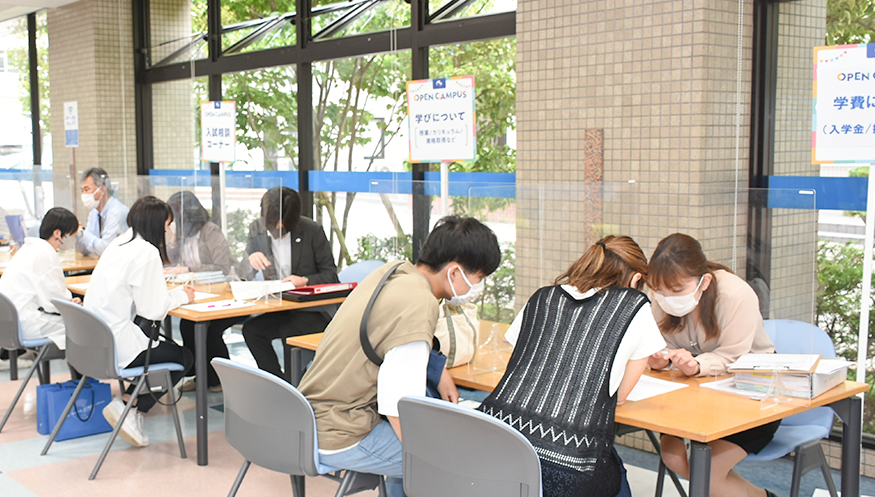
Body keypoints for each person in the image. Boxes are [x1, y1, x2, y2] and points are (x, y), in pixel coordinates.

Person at [298, 216, 501, 497]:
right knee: (459, 459)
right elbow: (397, 405)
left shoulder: (392, 272)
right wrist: (430, 455)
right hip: (342, 430)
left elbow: (389, 338)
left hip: (309, 416)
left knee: (426, 440)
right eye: (478, 279)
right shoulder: (420, 303)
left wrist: (440, 372)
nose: (476, 289)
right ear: (454, 272)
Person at [479, 236, 665, 497]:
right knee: (614, 475)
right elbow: (620, 396)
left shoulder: (543, 297)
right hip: (566, 466)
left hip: (495, 444)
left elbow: (522, 367)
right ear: (636, 279)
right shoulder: (634, 305)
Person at [646, 233, 777, 497]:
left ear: (704, 282)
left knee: (705, 473)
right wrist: (657, 360)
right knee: (672, 457)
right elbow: (656, 345)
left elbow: (732, 357)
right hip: (690, 392)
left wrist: (696, 365)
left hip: (750, 391)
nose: (666, 298)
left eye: (677, 291)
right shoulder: (658, 293)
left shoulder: (735, 295)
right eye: (660, 290)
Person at [84, 196, 195, 448]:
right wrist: (182, 296)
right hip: (117, 346)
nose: (169, 230)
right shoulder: (147, 252)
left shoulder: (118, 243)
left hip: (94, 342)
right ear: (157, 225)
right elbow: (152, 310)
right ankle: (132, 407)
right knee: (185, 358)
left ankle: (127, 401)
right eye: (167, 225)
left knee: (148, 334)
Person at [240, 186, 339, 381]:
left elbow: (331, 275)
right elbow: (243, 274)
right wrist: (250, 260)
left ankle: (293, 385)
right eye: (273, 222)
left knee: (290, 333)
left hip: (312, 310)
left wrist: (305, 281)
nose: (278, 227)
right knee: (252, 331)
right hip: (280, 307)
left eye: (283, 223)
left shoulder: (312, 231)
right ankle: (276, 382)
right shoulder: (257, 229)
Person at [164, 191, 241, 393]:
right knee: (187, 325)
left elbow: (222, 266)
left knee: (210, 329)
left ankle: (220, 379)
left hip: (224, 292)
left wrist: (188, 269)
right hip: (200, 292)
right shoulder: (184, 234)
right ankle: (201, 375)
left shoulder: (210, 231)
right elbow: (171, 260)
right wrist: (174, 238)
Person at [0, 208, 82, 350]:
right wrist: (71, 304)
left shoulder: (28, 248)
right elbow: (55, 302)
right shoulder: (45, 254)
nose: (73, 240)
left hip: (9, 320)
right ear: (58, 234)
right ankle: (83, 366)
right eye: (72, 235)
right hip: (26, 323)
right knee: (82, 327)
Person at [76, 167, 129, 256]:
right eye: (82, 191)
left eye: (86, 189)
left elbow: (106, 250)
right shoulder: (94, 212)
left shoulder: (117, 212)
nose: (83, 194)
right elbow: (87, 249)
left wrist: (82, 232)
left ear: (102, 190)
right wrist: (75, 232)